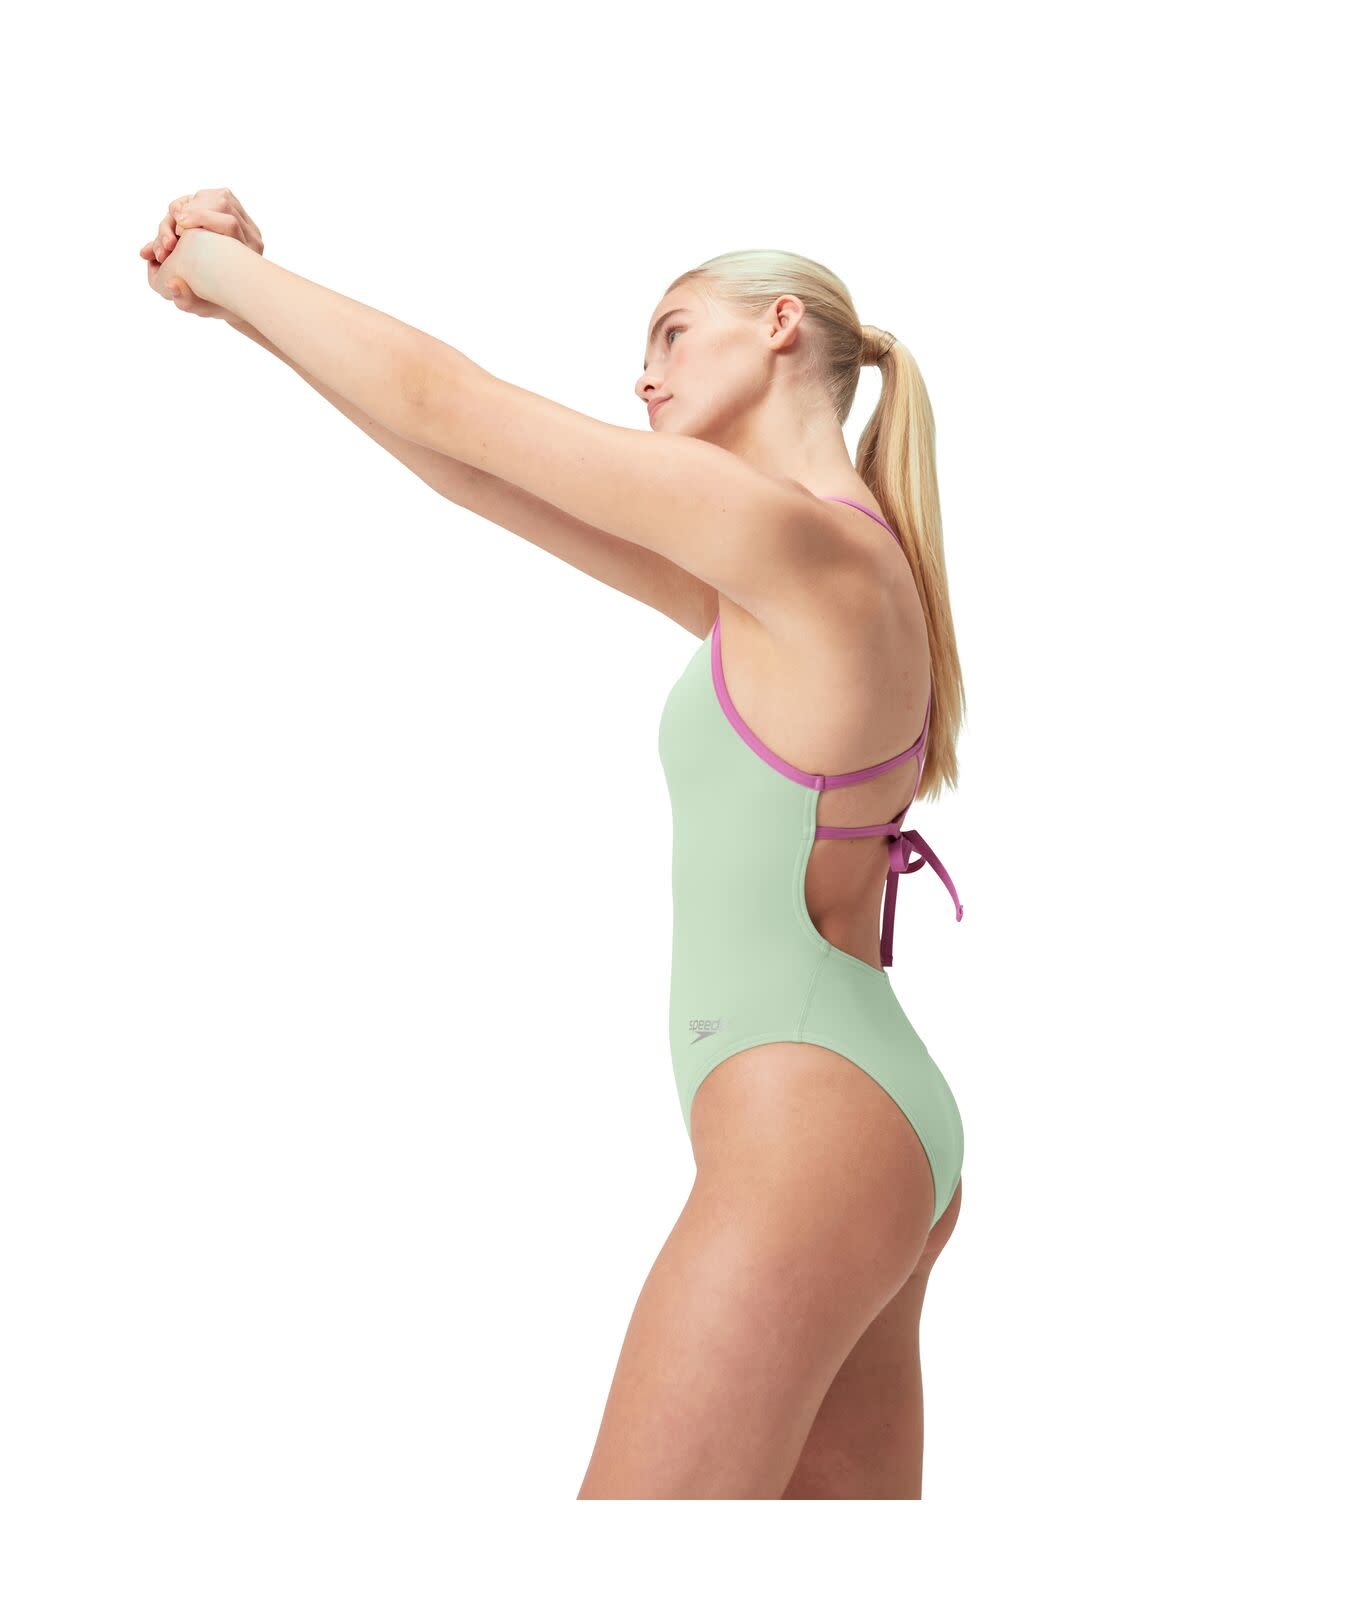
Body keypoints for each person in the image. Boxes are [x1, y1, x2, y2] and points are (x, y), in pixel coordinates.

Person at [141, 194, 969, 1499]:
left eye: (673, 332)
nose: (644, 374)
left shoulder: (796, 538)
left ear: (779, 326)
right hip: (855, 1123)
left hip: (809, 1131)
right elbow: (462, 467)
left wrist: (218, 263)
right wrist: (244, 313)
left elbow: (451, 401)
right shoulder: (795, 572)